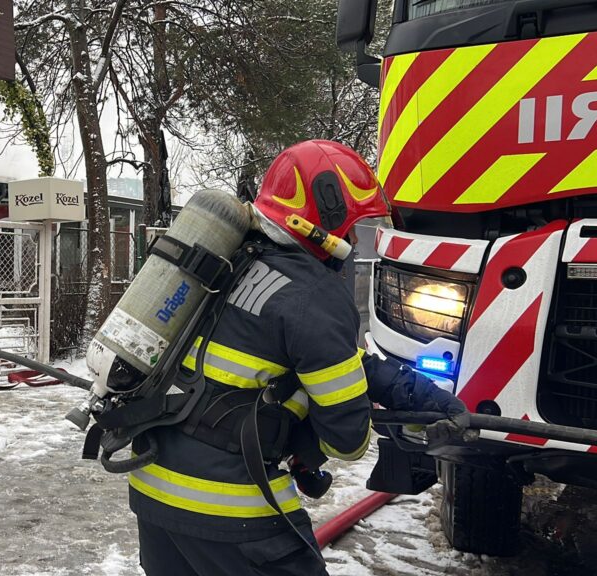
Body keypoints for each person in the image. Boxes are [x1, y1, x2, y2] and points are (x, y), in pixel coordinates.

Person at [128, 140, 468, 575]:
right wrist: (314, 439)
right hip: (230, 508)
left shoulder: (232, 262)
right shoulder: (313, 294)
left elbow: (318, 357)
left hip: (153, 489)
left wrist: (414, 393)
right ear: (327, 217)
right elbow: (347, 440)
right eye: (351, 227)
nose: (351, 240)